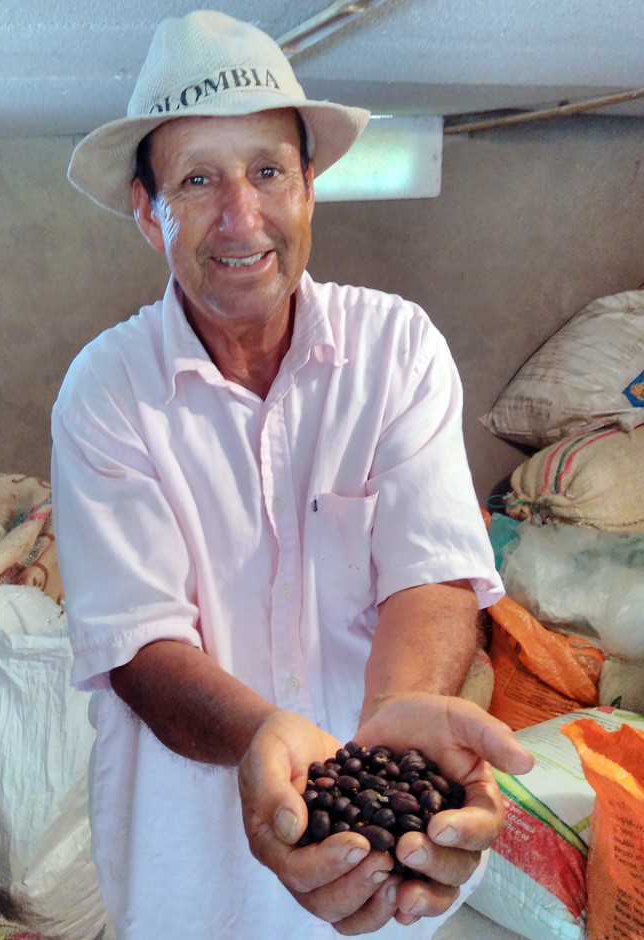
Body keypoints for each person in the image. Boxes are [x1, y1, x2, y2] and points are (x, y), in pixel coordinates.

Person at [51, 10, 533, 939]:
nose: (243, 217)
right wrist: (259, 739)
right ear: (149, 213)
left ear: (311, 187)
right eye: (199, 180)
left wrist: (398, 709)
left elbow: (430, 571)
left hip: (388, 850)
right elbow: (138, 646)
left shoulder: (397, 350)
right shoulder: (106, 392)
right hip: (186, 868)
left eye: (269, 171)